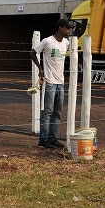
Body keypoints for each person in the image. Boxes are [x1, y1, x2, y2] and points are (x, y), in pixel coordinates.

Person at [30, 18, 73, 149]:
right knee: (47, 111)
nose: (68, 30)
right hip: (49, 82)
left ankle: (52, 137)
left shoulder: (66, 42)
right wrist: (40, 69)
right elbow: (33, 52)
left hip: (60, 82)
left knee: (57, 112)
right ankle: (43, 139)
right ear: (60, 27)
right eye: (67, 28)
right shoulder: (47, 41)